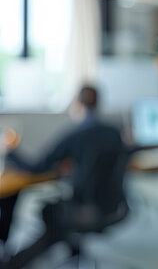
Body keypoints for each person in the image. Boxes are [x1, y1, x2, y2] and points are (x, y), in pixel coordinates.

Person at [2, 85, 129, 268]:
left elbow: (37, 167)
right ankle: (72, 251)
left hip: (86, 209)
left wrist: (9, 151)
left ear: (77, 104)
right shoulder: (115, 132)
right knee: (58, 214)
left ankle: (12, 263)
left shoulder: (75, 135)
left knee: (51, 212)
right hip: (115, 207)